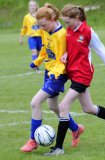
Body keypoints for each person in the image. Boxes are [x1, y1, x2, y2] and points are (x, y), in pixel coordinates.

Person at [44, 4, 105, 156]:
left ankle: (58, 148)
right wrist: (65, 53)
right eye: (65, 23)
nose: (67, 26)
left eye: (68, 22)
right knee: (88, 108)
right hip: (73, 73)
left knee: (63, 106)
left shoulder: (88, 32)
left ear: (77, 18)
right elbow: (69, 46)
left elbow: (101, 50)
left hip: (83, 75)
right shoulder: (70, 30)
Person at [20, 3, 84, 153]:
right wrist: (37, 61)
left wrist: (55, 74)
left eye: (43, 25)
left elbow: (63, 60)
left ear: (52, 19)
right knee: (53, 107)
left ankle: (33, 141)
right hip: (49, 72)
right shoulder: (45, 31)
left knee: (35, 102)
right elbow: (45, 50)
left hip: (58, 74)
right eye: (39, 26)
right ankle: (76, 129)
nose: (41, 28)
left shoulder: (62, 35)